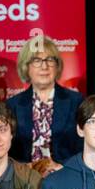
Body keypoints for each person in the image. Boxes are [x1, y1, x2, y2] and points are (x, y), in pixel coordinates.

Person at [6, 33, 83, 176]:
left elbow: (84, 147)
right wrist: (24, 168)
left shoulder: (76, 101)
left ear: (57, 65)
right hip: (23, 180)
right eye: (37, 60)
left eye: (50, 60)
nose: (44, 66)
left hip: (66, 176)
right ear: (26, 66)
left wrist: (61, 167)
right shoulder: (12, 105)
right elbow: (6, 151)